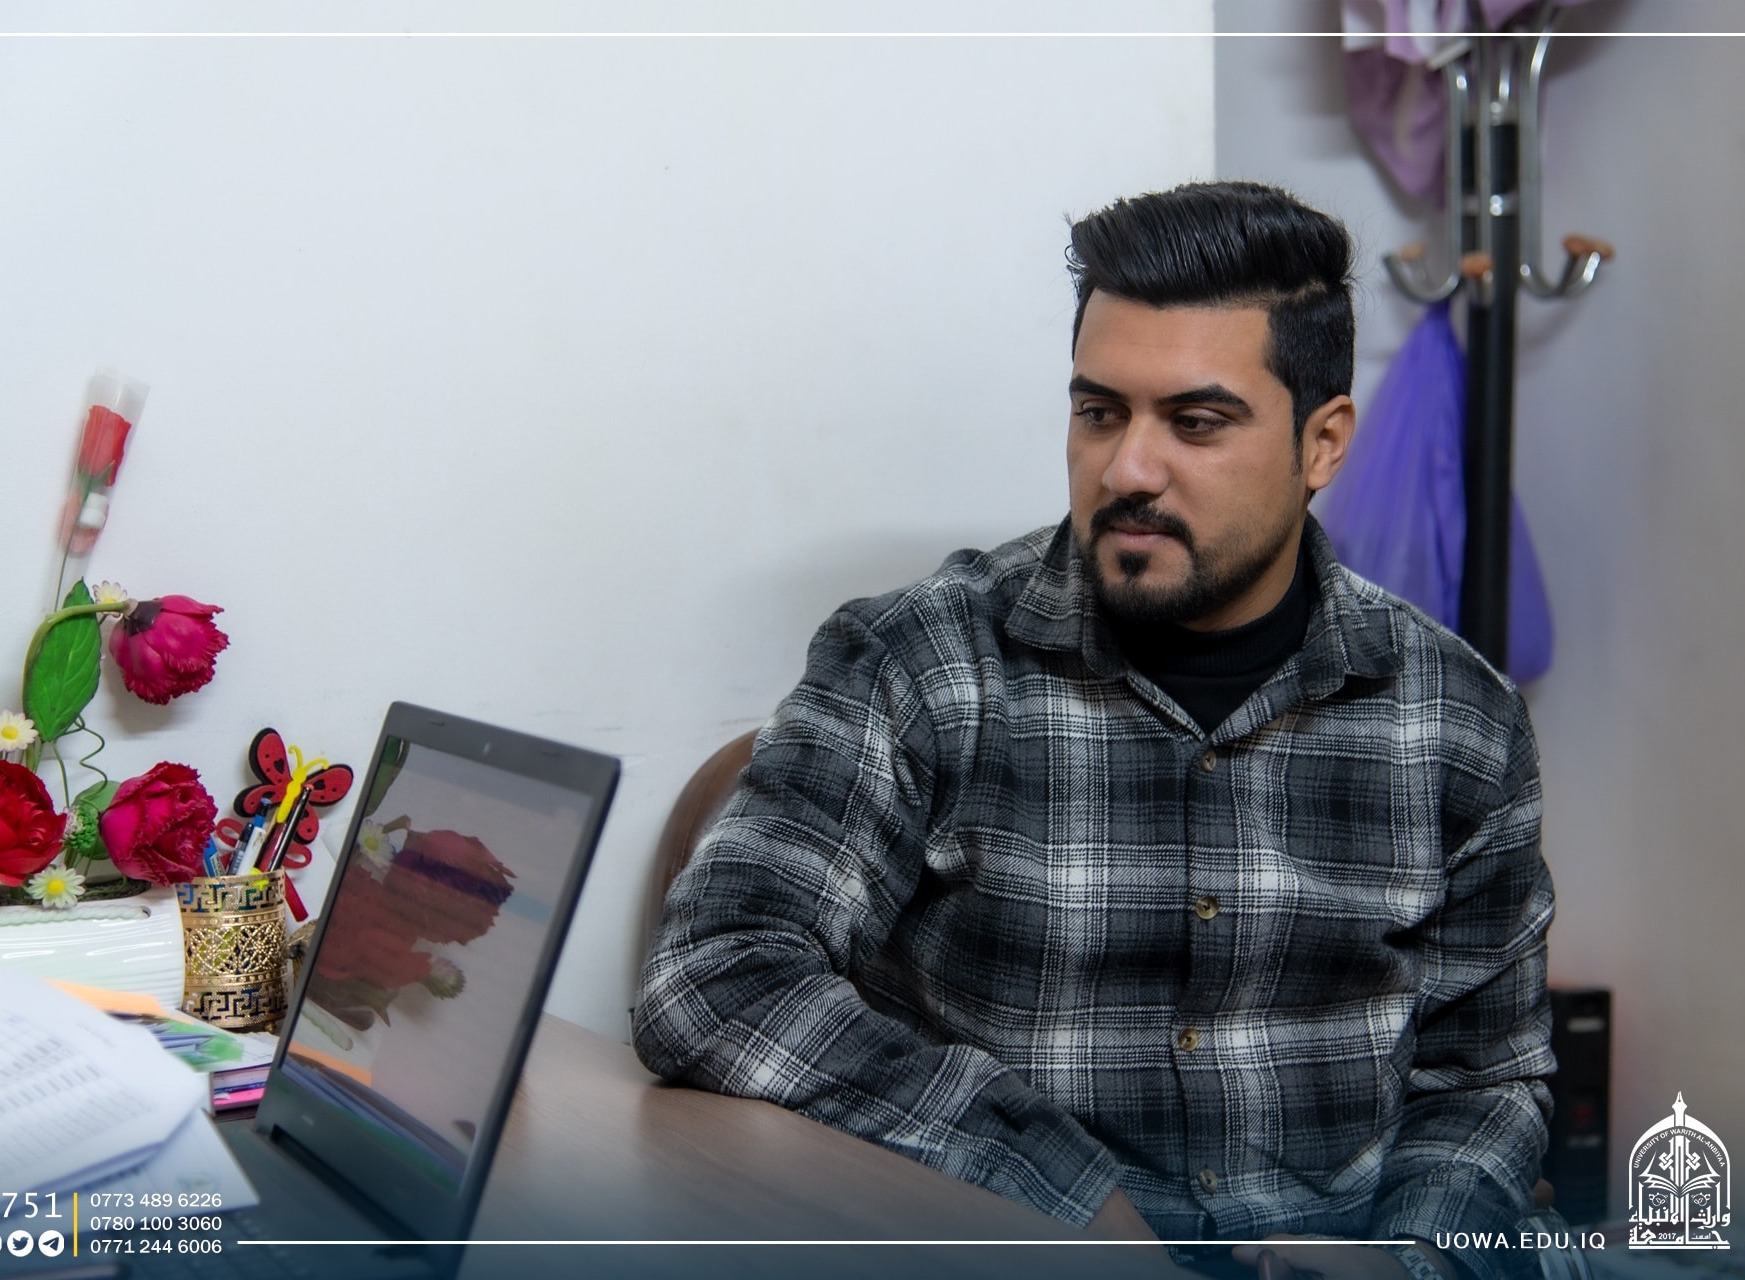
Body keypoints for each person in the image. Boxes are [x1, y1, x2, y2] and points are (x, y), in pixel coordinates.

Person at [633, 181, 1554, 1280]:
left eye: (1196, 423)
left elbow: (1485, 1077)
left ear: (1322, 443)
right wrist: (1053, 1188)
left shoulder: (1458, 720)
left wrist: (1414, 1259)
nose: (1127, 470)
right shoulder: (922, 663)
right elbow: (717, 974)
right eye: (1100, 412)